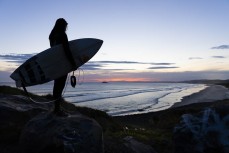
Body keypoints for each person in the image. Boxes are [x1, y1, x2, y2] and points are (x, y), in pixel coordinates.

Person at [49, 18, 76, 114]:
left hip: (56, 64)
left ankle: (56, 107)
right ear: (62, 25)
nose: (66, 27)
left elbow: (54, 51)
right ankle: (57, 109)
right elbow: (66, 50)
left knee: (56, 86)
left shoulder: (52, 36)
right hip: (63, 64)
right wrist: (73, 64)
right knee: (60, 86)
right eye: (65, 25)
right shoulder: (62, 35)